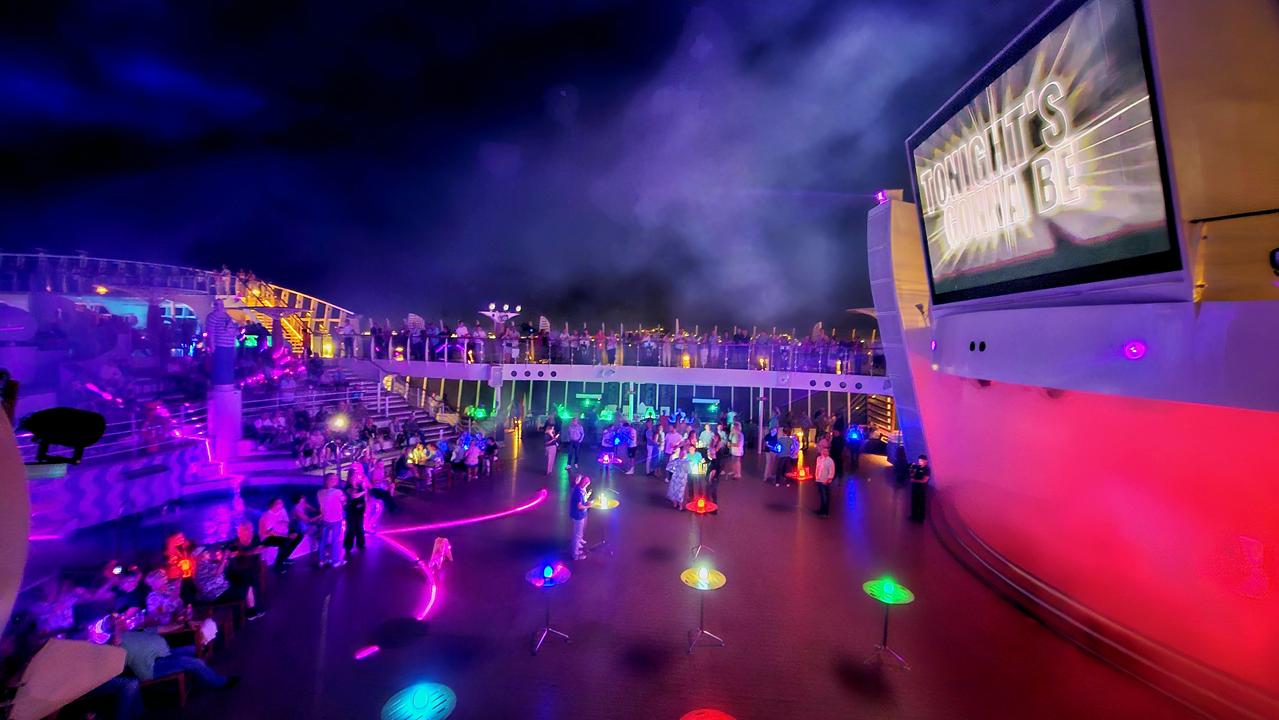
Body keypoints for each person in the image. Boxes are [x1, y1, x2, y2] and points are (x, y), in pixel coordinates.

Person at [114, 619, 236, 691]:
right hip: (151, 667)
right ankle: (219, 682)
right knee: (192, 662)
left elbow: (164, 629)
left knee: (194, 648)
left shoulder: (135, 631)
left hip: (161, 655)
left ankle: (202, 672)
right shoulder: (117, 642)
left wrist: (185, 624)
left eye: (122, 620)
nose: (123, 621)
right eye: (118, 622)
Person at [259, 497, 302, 571]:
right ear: (273, 505)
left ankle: (285, 557)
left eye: (281, 502)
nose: (282, 504)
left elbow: (286, 522)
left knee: (298, 535)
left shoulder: (283, 510)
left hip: (281, 532)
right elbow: (270, 532)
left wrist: (289, 531)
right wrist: (287, 536)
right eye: (279, 503)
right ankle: (278, 565)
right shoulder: (267, 516)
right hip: (267, 537)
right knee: (284, 542)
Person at [316, 473, 346, 568]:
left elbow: (321, 507)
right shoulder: (338, 492)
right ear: (328, 480)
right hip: (336, 519)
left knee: (322, 540)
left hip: (325, 519)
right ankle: (335, 561)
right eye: (334, 478)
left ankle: (322, 560)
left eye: (336, 478)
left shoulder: (319, 492)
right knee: (335, 540)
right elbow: (344, 503)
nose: (336, 480)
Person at [344, 468, 368, 554]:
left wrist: (365, 505)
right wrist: (364, 492)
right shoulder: (348, 486)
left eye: (356, 474)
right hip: (352, 510)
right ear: (350, 476)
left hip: (360, 509)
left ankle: (360, 544)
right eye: (354, 475)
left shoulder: (360, 485)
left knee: (360, 527)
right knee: (351, 528)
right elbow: (354, 496)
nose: (356, 476)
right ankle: (348, 546)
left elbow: (365, 497)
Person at [570, 475, 592, 560]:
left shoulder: (580, 489)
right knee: (577, 535)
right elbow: (579, 506)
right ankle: (575, 554)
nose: (587, 485)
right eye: (587, 483)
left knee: (578, 533)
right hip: (578, 516)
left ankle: (578, 542)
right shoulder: (578, 492)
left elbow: (583, 499)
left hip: (580, 514)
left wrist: (587, 499)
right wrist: (588, 506)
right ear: (584, 483)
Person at [666, 443, 691, 510]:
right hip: (676, 477)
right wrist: (675, 470)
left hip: (682, 479)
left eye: (683, 453)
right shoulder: (676, 460)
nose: (682, 454)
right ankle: (675, 503)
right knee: (674, 489)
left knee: (681, 491)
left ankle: (680, 505)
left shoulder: (687, 462)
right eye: (681, 453)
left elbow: (689, 470)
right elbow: (668, 467)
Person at [814, 445, 835, 517]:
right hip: (819, 480)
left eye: (826, 451)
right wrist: (816, 478)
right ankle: (821, 510)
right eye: (824, 451)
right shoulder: (819, 459)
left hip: (824, 481)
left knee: (825, 497)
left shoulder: (830, 461)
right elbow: (817, 468)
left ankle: (825, 512)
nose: (825, 452)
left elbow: (831, 472)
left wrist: (827, 480)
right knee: (822, 496)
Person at [909, 455, 931, 522]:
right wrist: (911, 469)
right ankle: (914, 516)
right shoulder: (918, 467)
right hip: (915, 488)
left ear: (925, 461)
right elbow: (913, 474)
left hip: (921, 489)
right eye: (919, 460)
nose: (919, 462)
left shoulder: (927, 469)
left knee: (920, 503)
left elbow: (925, 480)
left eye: (921, 461)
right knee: (914, 502)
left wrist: (914, 480)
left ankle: (920, 518)